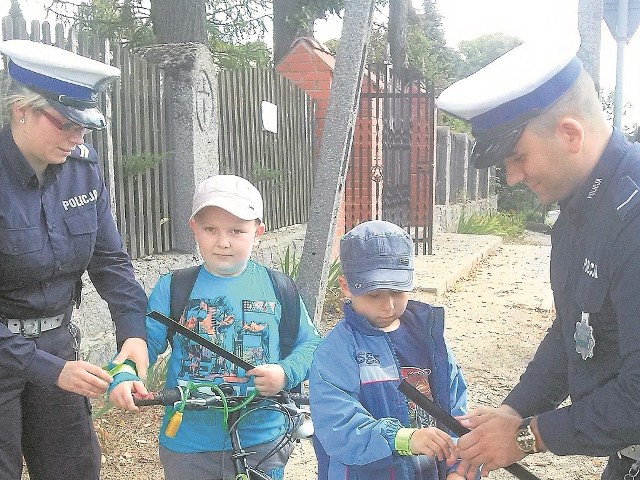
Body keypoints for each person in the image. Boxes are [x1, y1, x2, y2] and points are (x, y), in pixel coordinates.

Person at [435, 27, 640, 480]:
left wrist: (530, 436)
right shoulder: (580, 206)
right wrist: (514, 410)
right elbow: (575, 329)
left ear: (569, 133)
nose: (511, 179)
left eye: (517, 157)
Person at [0, 39, 149, 480]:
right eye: (65, 123)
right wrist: (49, 368)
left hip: (58, 346)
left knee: (74, 470)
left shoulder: (83, 168)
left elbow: (111, 263)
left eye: (85, 127)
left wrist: (134, 334)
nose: (77, 138)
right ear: (20, 110)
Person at [110, 174, 322, 480]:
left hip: (262, 439)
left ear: (258, 232)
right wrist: (124, 374)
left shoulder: (278, 287)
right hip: (189, 445)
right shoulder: (174, 287)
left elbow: (310, 344)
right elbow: (143, 344)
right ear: (194, 228)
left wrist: (285, 373)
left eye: (237, 231)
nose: (223, 242)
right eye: (211, 229)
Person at [309, 220, 471, 480]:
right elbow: (337, 425)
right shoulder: (335, 351)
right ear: (346, 286)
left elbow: (456, 407)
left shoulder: (428, 338)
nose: (388, 305)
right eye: (374, 295)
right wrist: (403, 439)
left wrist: (459, 468)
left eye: (397, 291)